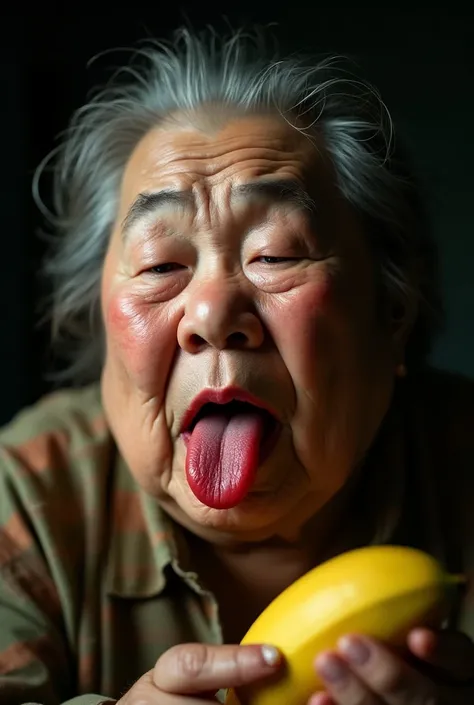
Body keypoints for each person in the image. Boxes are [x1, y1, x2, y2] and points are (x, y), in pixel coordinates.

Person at [0, 26, 473, 705]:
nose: (213, 313)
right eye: (161, 265)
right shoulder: (24, 499)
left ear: (391, 313)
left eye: (275, 255)